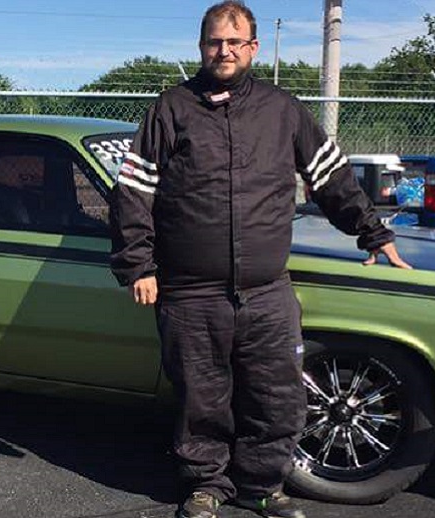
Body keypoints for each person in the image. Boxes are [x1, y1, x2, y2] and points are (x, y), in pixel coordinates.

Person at [108, 2, 410, 518]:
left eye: (234, 41)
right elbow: (133, 193)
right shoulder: (170, 110)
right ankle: (206, 486)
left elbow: (332, 178)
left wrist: (372, 233)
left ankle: (261, 487)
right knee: (201, 401)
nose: (223, 51)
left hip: (267, 293)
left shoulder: (283, 111)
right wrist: (139, 266)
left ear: (252, 47)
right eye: (213, 42)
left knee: (276, 398)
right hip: (190, 293)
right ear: (201, 47)